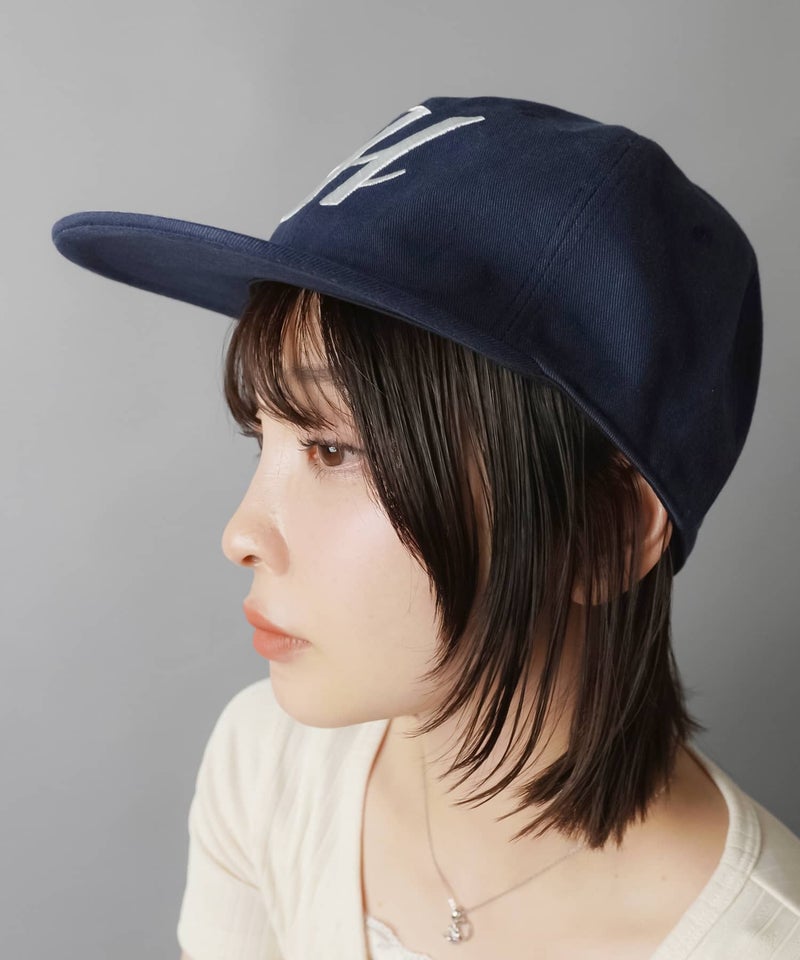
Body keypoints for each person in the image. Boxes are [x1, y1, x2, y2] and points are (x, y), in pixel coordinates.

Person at [51, 95, 800, 960]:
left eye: (333, 449)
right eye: (264, 436)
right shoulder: (270, 768)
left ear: (604, 533)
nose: (241, 533)